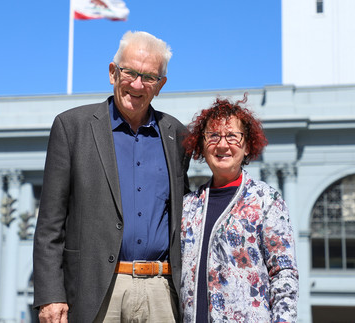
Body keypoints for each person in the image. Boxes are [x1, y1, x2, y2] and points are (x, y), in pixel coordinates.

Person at [33, 31, 190, 322]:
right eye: (129, 72)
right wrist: (50, 295)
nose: (137, 84)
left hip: (161, 291)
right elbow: (49, 224)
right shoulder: (72, 128)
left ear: (160, 85)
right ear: (112, 73)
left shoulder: (176, 134)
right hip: (98, 291)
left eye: (149, 77)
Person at [180, 96, 299, 322]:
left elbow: (284, 274)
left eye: (232, 136)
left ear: (247, 147)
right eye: (213, 135)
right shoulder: (188, 206)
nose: (222, 144)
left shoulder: (266, 200)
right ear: (201, 145)